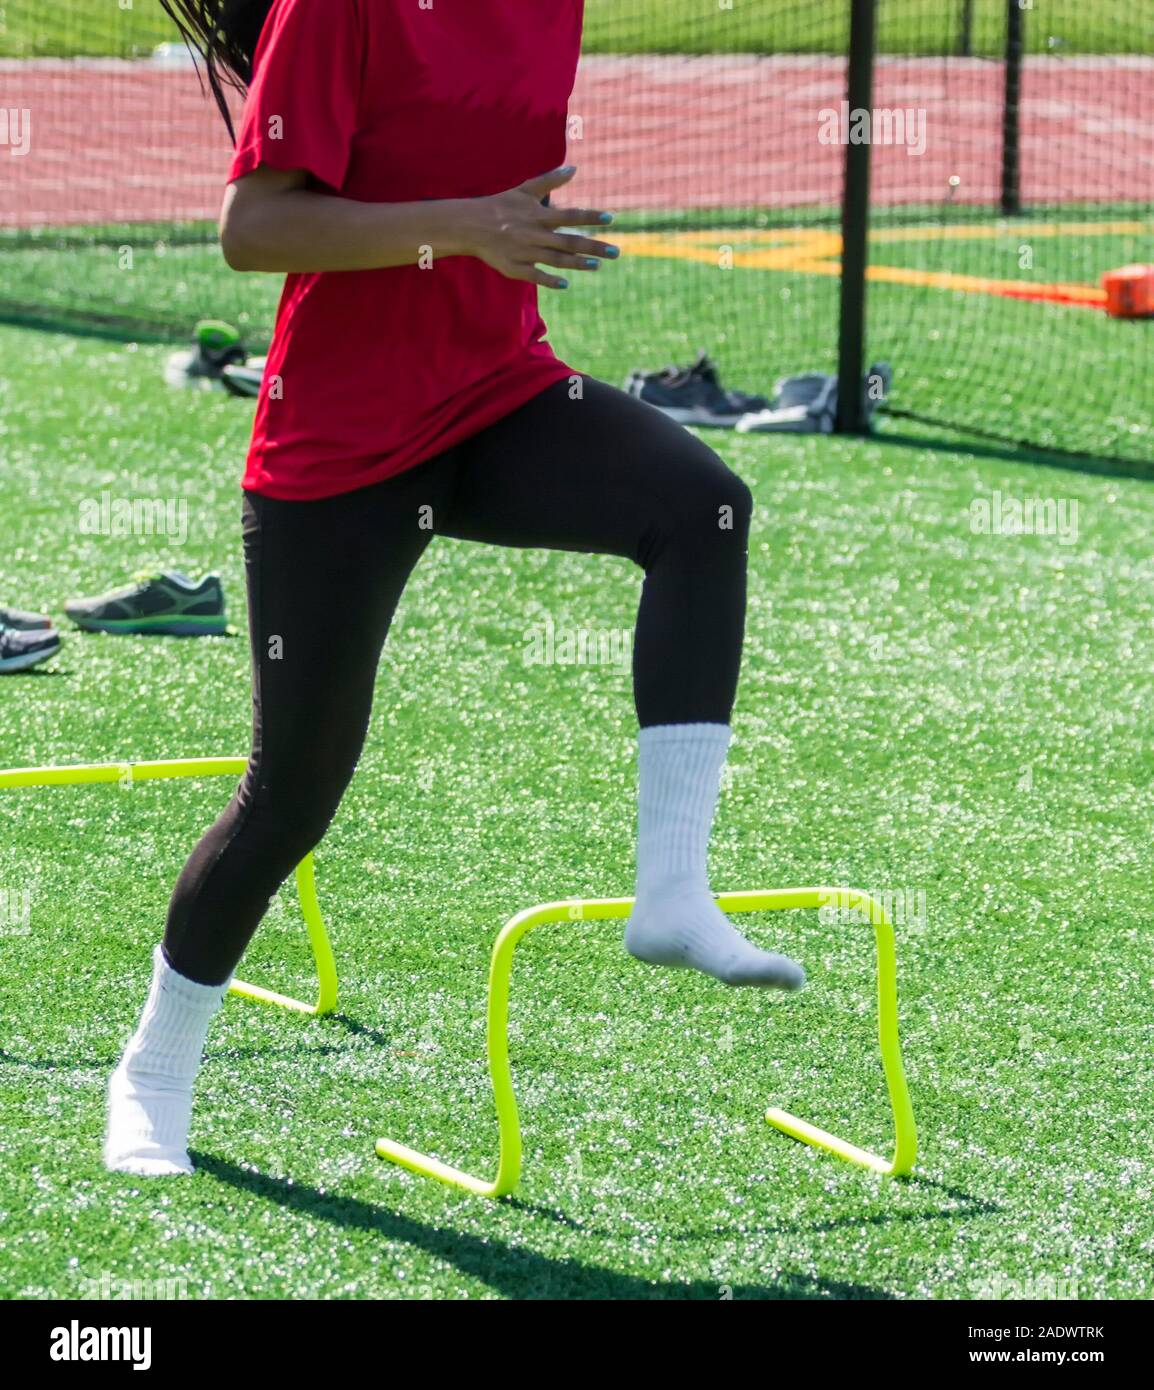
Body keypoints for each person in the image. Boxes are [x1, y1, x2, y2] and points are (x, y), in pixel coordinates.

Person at [105, 0, 805, 1177]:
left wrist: (483, 240)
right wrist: (463, 230)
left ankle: (672, 894)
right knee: (292, 795)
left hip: (495, 394)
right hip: (339, 440)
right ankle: (154, 1073)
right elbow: (253, 227)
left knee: (703, 507)